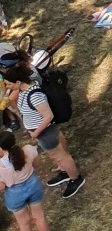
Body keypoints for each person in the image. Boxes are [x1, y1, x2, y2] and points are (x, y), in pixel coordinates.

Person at [3, 65, 82, 199]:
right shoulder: (23, 90)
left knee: (59, 157)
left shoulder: (35, 96)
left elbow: (48, 116)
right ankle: (65, 171)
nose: (7, 87)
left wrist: (35, 133)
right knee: (60, 154)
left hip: (45, 132)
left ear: (18, 82)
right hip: (43, 132)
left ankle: (75, 179)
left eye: (9, 84)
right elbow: (14, 101)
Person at [0, 129, 47, 230]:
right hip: (33, 184)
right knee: (40, 217)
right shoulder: (28, 149)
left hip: (14, 194)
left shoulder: (1, 166)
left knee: (24, 224)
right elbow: (36, 164)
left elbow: (1, 187)